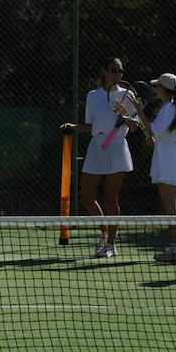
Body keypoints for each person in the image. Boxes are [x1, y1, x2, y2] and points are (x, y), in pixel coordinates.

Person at [60, 57, 139, 258]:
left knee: (111, 198)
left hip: (117, 147)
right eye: (113, 70)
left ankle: (111, 244)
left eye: (120, 71)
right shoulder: (93, 96)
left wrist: (125, 113)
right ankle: (104, 232)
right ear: (103, 71)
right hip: (96, 147)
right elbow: (91, 125)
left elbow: (135, 127)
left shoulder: (128, 95)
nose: (117, 74)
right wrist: (74, 127)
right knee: (87, 196)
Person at [128, 73, 176, 263]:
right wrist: (150, 135)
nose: (156, 89)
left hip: (169, 165)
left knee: (170, 207)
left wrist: (138, 110)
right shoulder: (170, 108)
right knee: (170, 206)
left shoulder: (170, 108)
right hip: (168, 163)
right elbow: (156, 133)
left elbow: (153, 129)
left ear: (164, 89)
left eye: (158, 86)